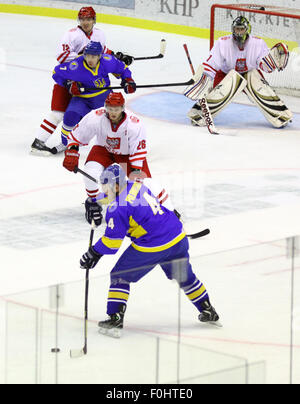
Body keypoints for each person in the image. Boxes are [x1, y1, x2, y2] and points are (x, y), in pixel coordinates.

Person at [78, 164, 220, 338]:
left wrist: (94, 253)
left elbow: (112, 243)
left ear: (115, 185)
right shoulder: (136, 185)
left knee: (120, 275)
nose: (103, 189)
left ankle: (115, 317)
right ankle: (207, 309)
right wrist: (93, 201)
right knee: (184, 276)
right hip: (177, 238)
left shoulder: (118, 209)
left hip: (153, 246)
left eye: (105, 185)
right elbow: (116, 197)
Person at [31, 6, 133, 156]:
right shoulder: (71, 35)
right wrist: (84, 58)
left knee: (106, 114)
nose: (86, 22)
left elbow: (102, 51)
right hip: (70, 78)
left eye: (89, 19)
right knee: (59, 113)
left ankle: (121, 144)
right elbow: (61, 58)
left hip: (87, 82)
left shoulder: (99, 34)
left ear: (94, 20)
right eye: (83, 19)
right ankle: (39, 142)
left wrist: (116, 56)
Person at [184, 16, 292, 128]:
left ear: (247, 29)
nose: (239, 32)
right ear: (232, 29)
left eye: (241, 29)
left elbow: (264, 66)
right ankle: (199, 114)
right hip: (226, 74)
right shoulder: (223, 43)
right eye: (237, 29)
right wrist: (204, 80)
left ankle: (281, 115)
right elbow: (212, 64)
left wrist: (272, 63)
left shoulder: (258, 43)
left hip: (249, 74)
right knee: (217, 95)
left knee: (261, 88)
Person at [62, 92, 150, 227]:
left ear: (122, 108)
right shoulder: (95, 117)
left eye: (116, 109)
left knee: (145, 186)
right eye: (110, 108)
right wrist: (72, 152)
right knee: (90, 174)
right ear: (105, 107)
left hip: (127, 154)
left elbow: (138, 150)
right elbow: (76, 136)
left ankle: (161, 208)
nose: (113, 112)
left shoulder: (134, 124)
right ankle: (93, 203)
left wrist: (135, 172)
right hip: (104, 149)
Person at [50, 42, 136, 155]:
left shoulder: (107, 61)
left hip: (104, 97)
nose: (90, 59)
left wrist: (128, 80)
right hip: (82, 99)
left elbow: (123, 69)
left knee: (116, 120)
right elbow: (56, 72)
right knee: (70, 117)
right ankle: (66, 143)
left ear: (99, 56)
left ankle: (123, 145)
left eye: (94, 56)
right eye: (88, 56)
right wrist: (68, 83)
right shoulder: (76, 66)